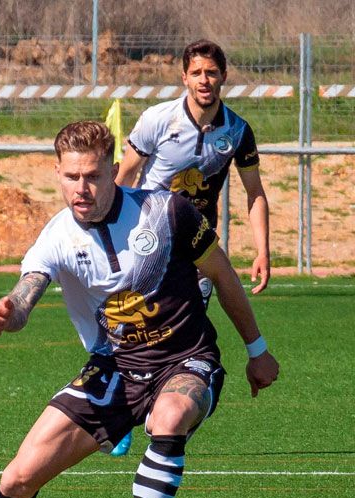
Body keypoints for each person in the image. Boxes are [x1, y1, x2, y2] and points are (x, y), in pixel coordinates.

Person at [0, 121, 278, 498]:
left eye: (93, 176)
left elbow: (222, 275)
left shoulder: (166, 211)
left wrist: (257, 349)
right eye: (72, 176)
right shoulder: (55, 237)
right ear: (56, 174)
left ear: (115, 171)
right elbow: (26, 292)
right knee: (17, 478)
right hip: (113, 367)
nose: (82, 188)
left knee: (171, 416)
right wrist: (10, 312)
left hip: (186, 358)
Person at [113, 40, 272, 458]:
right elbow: (125, 178)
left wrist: (262, 250)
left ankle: (167, 415)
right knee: (128, 328)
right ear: (184, 77)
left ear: (224, 76)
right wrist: (110, 235)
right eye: (197, 73)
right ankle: (122, 406)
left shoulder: (236, 131)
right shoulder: (156, 120)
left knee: (183, 331)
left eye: (212, 72)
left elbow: (254, 192)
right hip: (145, 244)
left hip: (198, 249)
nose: (205, 80)